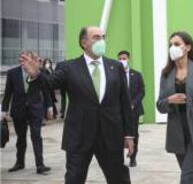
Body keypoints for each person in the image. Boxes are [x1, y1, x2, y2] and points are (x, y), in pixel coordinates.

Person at [20, 26, 135, 184]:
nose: (101, 41)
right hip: (79, 136)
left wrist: (129, 134)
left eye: (103, 37)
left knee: (119, 178)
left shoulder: (115, 67)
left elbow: (125, 103)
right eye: (96, 37)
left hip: (110, 135)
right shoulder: (69, 67)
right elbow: (49, 84)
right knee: (74, 179)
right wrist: (36, 74)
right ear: (84, 42)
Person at [157, 31, 193, 183]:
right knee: (191, 176)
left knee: (186, 177)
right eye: (170, 45)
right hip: (177, 132)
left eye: (176, 44)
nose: (172, 48)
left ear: (188, 47)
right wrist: (170, 100)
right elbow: (160, 105)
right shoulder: (166, 73)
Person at [0, 50, 52, 174]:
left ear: (32, 60)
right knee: (21, 138)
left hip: (35, 109)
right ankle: (20, 163)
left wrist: (49, 106)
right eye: (22, 59)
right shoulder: (12, 73)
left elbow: (46, 89)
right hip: (19, 110)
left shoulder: (39, 73)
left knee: (36, 136)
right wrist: (3, 110)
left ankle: (40, 165)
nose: (24, 61)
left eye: (27, 59)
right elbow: (8, 93)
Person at [118, 50, 145, 167]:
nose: (122, 61)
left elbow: (142, 91)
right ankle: (119, 158)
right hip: (119, 111)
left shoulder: (137, 74)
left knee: (133, 134)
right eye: (120, 59)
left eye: (124, 58)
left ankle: (133, 158)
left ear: (128, 59)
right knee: (119, 134)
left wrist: (133, 103)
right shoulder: (115, 74)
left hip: (134, 110)